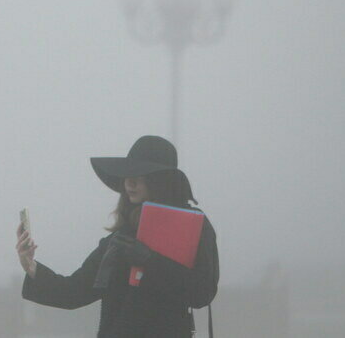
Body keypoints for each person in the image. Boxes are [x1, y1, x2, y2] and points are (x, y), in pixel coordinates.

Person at [16, 135, 219, 338]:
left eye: (140, 175)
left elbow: (202, 293)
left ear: (160, 181)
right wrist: (30, 265)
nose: (129, 182)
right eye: (127, 175)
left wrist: (150, 261)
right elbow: (74, 292)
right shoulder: (119, 241)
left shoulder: (194, 226)